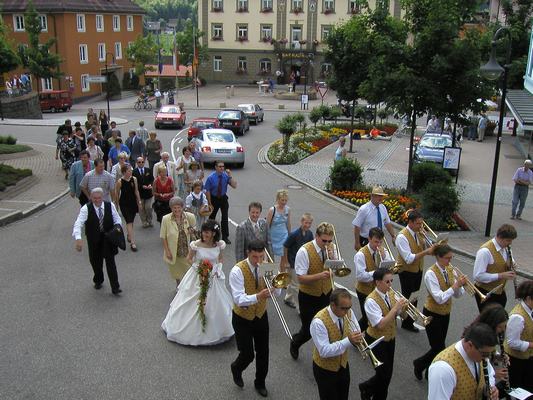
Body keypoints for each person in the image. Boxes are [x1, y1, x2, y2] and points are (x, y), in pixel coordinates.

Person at [161, 220, 234, 345]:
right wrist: (199, 268)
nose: (204, 235)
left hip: (213, 275)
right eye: (204, 232)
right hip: (198, 274)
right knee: (192, 300)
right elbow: (189, 259)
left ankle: (216, 330)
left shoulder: (219, 245)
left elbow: (220, 258)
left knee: (215, 302)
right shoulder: (196, 245)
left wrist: (218, 268)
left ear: (214, 233)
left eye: (207, 233)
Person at [229, 239, 281, 398]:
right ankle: (236, 368)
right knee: (247, 354)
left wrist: (275, 288)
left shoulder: (267, 266)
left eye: (261, 256)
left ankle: (260, 382)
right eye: (255, 257)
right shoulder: (237, 270)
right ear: (248, 254)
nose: (259, 261)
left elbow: (277, 294)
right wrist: (258, 296)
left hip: (260, 315)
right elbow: (238, 298)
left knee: (263, 352)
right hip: (242, 317)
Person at [412, 243, 466, 380]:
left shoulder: (450, 270)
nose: (450, 261)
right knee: (439, 348)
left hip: (445, 314)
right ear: (439, 257)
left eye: (451, 258)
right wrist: (455, 286)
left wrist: (460, 286)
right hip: (432, 314)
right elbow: (439, 298)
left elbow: (458, 295)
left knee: (438, 346)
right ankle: (419, 364)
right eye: (447, 258)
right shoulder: (431, 274)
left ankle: (428, 370)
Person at [359, 268, 407, 400]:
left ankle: (367, 388)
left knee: (387, 373)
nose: (390, 284)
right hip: (376, 340)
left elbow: (402, 316)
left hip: (390, 338)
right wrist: (396, 308)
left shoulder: (391, 294)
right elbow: (380, 324)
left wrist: (404, 309)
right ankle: (374, 393)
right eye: (387, 282)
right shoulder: (371, 301)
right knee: (384, 374)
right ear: (377, 282)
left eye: (391, 281)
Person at [290, 222, 335, 360]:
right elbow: (300, 278)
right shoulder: (305, 251)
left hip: (326, 293)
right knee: (308, 330)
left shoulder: (331, 248)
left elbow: (336, 269)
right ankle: (295, 342)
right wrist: (320, 276)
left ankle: (323, 353)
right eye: (324, 241)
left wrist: (333, 259)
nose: (327, 244)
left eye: (329, 241)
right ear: (316, 236)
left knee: (325, 325)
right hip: (308, 296)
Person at [310, 288, 364, 400]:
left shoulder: (348, 311)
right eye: (344, 308)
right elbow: (324, 351)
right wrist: (348, 341)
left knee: (343, 396)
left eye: (349, 308)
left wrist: (358, 337)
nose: (347, 312)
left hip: (343, 365)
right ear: (333, 305)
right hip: (325, 370)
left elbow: (356, 328)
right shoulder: (319, 322)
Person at [428, 322, 499, 400]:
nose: (487, 358)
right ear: (470, 345)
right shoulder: (443, 369)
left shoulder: (480, 354)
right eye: (485, 354)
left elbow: (490, 374)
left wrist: (490, 388)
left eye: (489, 353)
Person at [72, 187, 123, 295]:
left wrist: (117, 227)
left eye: (99, 198)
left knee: (111, 263)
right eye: (94, 198)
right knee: (96, 262)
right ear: (91, 198)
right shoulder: (86, 208)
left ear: (102, 197)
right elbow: (78, 223)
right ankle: (98, 279)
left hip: (107, 239)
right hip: (93, 240)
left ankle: (115, 287)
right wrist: (78, 238)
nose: (97, 200)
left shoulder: (110, 206)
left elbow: (117, 219)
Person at [395, 209, 436, 332]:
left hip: (418, 268)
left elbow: (424, 247)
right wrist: (426, 252)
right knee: (407, 297)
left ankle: (408, 321)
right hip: (406, 270)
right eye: (418, 223)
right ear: (411, 223)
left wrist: (430, 243)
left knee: (415, 296)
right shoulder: (402, 236)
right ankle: (400, 317)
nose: (421, 226)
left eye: (421, 223)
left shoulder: (418, 232)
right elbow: (408, 258)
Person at [354, 227, 393, 331]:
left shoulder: (383, 250)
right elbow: (360, 276)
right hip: (364, 290)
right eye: (376, 241)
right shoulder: (361, 254)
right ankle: (355, 334)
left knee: (373, 316)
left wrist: (384, 257)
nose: (378, 245)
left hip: (377, 289)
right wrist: (377, 273)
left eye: (380, 242)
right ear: (369, 239)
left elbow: (390, 266)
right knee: (367, 317)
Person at [473, 224, 517, 311]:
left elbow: (509, 262)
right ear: (499, 237)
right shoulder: (485, 251)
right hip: (485, 291)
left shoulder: (506, 248)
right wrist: (501, 275)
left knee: (499, 320)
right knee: (489, 321)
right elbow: (477, 276)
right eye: (508, 240)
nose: (510, 243)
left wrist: (512, 264)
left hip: (499, 291)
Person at [504, 280, 533, 393]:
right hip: (515, 359)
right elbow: (512, 342)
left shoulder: (530, 309)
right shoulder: (517, 317)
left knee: (528, 386)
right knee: (515, 387)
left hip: (527, 357)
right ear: (528, 298)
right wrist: (531, 344)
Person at [280, 213, 314, 310]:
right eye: (305, 223)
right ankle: (299, 308)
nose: (307, 225)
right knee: (296, 285)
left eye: (309, 223)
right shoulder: (294, 234)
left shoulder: (309, 234)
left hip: (302, 263)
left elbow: (310, 247)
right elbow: (285, 246)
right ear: (301, 222)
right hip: (292, 261)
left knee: (293, 282)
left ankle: (288, 298)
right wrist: (286, 260)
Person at [160, 197, 196, 288]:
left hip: (186, 250)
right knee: (176, 271)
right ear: (171, 208)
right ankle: (178, 285)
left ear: (182, 207)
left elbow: (194, 230)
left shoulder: (189, 217)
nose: (177, 210)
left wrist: (192, 232)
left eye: (179, 207)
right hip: (173, 251)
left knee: (188, 270)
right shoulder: (166, 219)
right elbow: (163, 237)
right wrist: (167, 251)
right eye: (174, 208)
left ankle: (187, 287)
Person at [352, 186, 397, 250]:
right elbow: (357, 226)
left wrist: (393, 236)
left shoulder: (383, 208)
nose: (381, 198)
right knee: (367, 259)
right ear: (372, 196)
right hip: (366, 241)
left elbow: (387, 223)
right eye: (378, 196)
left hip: (378, 241)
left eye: (381, 196)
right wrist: (357, 243)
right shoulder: (364, 209)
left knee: (379, 259)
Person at [205, 161, 237, 244]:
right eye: (219, 166)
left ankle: (225, 237)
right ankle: (209, 234)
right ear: (215, 167)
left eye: (223, 166)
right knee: (212, 218)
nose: (222, 168)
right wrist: (209, 203)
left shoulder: (226, 176)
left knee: (225, 217)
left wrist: (230, 176)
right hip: (214, 198)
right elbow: (207, 191)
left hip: (223, 198)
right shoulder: (211, 178)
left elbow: (234, 186)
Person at [115, 164, 141, 252]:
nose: (130, 172)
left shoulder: (134, 179)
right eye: (128, 171)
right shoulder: (120, 182)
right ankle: (132, 242)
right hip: (124, 204)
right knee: (129, 221)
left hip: (132, 203)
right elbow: (117, 194)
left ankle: (129, 235)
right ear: (124, 172)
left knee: (131, 220)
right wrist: (116, 206)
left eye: (131, 170)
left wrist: (139, 201)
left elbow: (136, 191)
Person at [266, 189, 291, 259]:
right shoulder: (272, 210)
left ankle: (282, 270)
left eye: (286, 200)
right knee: (270, 257)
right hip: (273, 236)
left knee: (284, 256)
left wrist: (289, 235)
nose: (284, 202)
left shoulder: (288, 209)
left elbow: (288, 223)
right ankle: (271, 270)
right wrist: (266, 237)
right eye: (282, 200)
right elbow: (267, 225)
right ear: (278, 199)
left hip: (283, 235)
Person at [133, 157, 154, 228]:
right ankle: (144, 221)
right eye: (139, 162)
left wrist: (150, 184)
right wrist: (142, 186)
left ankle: (149, 220)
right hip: (140, 193)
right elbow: (134, 183)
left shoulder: (148, 170)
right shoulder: (134, 172)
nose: (141, 163)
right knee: (141, 208)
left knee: (148, 207)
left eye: (142, 162)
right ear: (137, 163)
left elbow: (152, 179)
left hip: (148, 193)